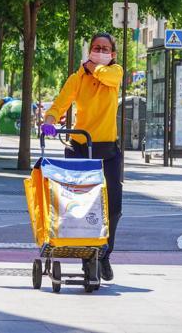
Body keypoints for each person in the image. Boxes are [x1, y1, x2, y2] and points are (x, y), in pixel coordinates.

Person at [41, 32, 123, 282]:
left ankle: (105, 253)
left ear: (113, 54)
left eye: (105, 48)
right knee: (76, 204)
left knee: (114, 206)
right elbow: (59, 104)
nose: (100, 51)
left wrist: (93, 68)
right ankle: (84, 248)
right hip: (79, 147)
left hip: (107, 150)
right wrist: (50, 121)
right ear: (89, 50)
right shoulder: (77, 79)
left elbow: (107, 76)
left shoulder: (115, 72)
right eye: (96, 47)